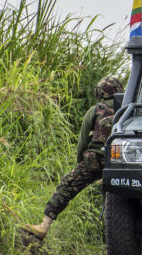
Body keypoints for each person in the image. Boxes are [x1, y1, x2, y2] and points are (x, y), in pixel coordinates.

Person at [22, 76, 124, 245]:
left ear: (101, 92)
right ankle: (114, 243)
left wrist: (81, 164)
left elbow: (83, 142)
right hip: (121, 159)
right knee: (115, 201)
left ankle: (43, 226)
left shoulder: (95, 110)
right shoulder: (127, 109)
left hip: (95, 159)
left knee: (67, 186)